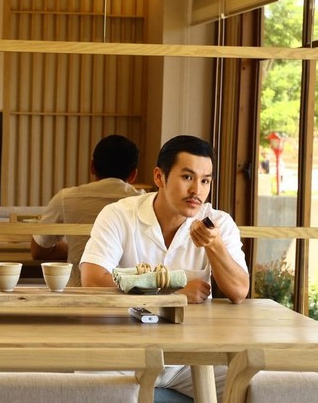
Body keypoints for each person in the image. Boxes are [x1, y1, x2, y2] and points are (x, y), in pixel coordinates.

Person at [79, 134, 249, 399]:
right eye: (187, 177)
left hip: (193, 357)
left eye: (205, 181)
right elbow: (92, 279)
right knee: (80, 388)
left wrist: (214, 246)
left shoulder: (218, 222)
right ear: (159, 177)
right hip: (125, 351)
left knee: (253, 387)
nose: (197, 191)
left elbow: (239, 292)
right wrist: (171, 294)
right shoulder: (119, 214)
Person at [31, 135, 144, 286]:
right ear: (134, 174)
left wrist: (77, 248)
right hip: (128, 294)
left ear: (92, 166)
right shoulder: (142, 202)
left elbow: (38, 250)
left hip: (78, 292)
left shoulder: (66, 198)